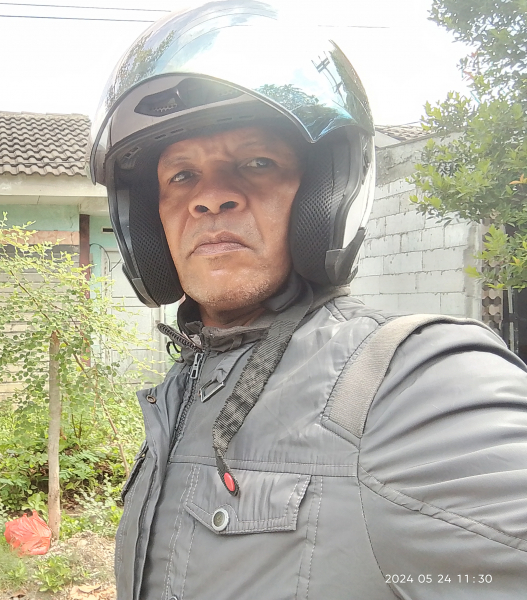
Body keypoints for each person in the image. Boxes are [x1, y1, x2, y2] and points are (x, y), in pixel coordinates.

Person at [88, 1, 527, 599]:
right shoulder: (183, 387)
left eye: (256, 163)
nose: (210, 198)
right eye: (181, 176)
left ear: (326, 195)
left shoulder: (407, 384)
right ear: (149, 220)